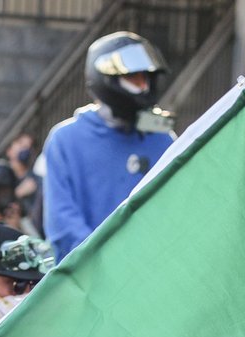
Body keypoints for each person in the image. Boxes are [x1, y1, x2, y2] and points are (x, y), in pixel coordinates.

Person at [42, 31, 173, 259]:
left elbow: (175, 207)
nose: (142, 86)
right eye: (133, 79)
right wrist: (105, 260)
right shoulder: (65, 139)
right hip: (89, 274)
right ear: (106, 79)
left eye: (145, 78)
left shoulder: (162, 137)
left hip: (150, 269)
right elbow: (62, 222)